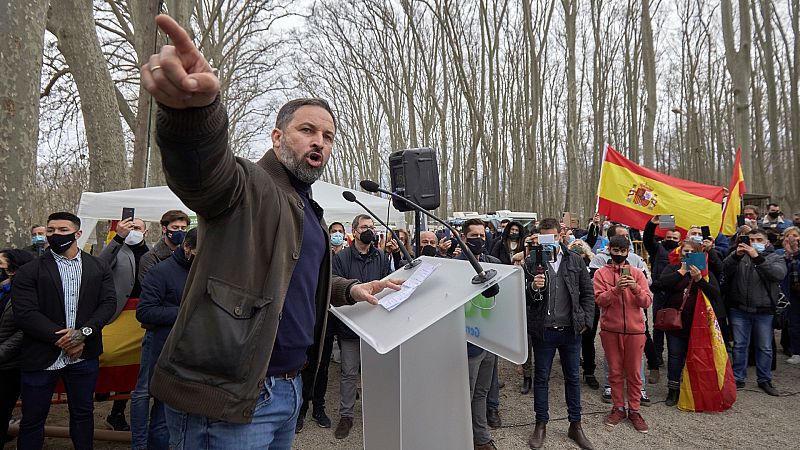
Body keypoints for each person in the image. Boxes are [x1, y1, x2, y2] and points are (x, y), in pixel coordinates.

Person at [140, 15, 401, 449]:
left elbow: (292, 276)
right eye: (307, 130)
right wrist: (194, 115)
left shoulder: (309, 210)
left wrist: (349, 289)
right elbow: (202, 171)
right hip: (228, 399)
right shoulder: (249, 186)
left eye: (328, 136)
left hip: (288, 389)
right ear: (278, 137)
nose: (320, 141)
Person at [12, 212, 117, 450]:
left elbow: (108, 303)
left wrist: (84, 334)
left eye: (62, 230)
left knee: (83, 414)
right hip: (41, 356)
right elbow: (25, 313)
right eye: (51, 230)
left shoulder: (98, 265)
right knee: (32, 419)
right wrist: (63, 338)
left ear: (77, 234)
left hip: (84, 354)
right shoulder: (30, 270)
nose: (55, 235)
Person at [525, 218, 595, 450]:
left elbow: (587, 293)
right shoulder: (532, 262)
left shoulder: (575, 259)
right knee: (542, 378)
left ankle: (575, 425)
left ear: (560, 236)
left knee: (573, 378)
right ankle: (540, 424)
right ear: (538, 237)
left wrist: (585, 321)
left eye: (553, 237)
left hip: (570, 331)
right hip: (543, 331)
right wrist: (534, 286)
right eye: (544, 237)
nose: (549, 242)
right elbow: (525, 298)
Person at [130, 228, 198, 450]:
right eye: (201, 251)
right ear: (187, 248)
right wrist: (187, 312)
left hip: (195, 351)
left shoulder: (205, 270)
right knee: (162, 412)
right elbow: (145, 312)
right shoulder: (161, 272)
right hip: (164, 347)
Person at [330, 215, 391, 440]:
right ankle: (346, 415)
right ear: (354, 231)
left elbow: (387, 285)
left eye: (372, 227)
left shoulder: (382, 257)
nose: (369, 231)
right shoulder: (342, 258)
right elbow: (335, 286)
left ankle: (377, 411)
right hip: (350, 327)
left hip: (375, 325)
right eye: (364, 227)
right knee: (348, 372)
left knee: (376, 372)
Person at [593, 235, 652, 433]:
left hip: (635, 331)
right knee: (615, 372)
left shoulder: (637, 273)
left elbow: (647, 302)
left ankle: (634, 410)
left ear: (628, 252)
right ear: (610, 250)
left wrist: (634, 288)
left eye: (622, 251)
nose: (618, 254)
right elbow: (600, 300)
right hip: (611, 329)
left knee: (635, 373)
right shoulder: (601, 273)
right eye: (615, 251)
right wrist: (617, 290)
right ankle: (618, 408)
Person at [651, 240, 721, 406]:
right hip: (676, 323)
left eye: (691, 251)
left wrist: (699, 280)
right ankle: (672, 390)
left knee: (695, 357)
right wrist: (681, 272)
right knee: (675, 357)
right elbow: (660, 285)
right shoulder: (673, 268)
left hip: (698, 324)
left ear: (698, 254)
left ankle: (692, 388)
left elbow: (716, 294)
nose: (687, 254)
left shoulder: (705, 273)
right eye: (684, 251)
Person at [97, 216, 151, 431]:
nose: (133, 231)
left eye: (137, 228)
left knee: (135, 366)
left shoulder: (153, 253)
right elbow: (99, 266)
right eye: (130, 227)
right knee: (106, 353)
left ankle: (117, 412)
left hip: (141, 316)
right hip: (116, 313)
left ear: (146, 232)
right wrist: (118, 238)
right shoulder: (115, 248)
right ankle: (101, 387)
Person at [296, 222, 349, 434]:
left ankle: (319, 407)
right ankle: (301, 410)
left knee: (323, 368)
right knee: (304, 367)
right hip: (307, 321)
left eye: (339, 232)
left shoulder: (340, 259)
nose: (335, 235)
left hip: (327, 323)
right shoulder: (309, 258)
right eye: (332, 232)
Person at [724, 229, 787, 396]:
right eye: (751, 239)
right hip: (739, 309)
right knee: (739, 346)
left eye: (759, 239)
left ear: (767, 242)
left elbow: (778, 274)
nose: (754, 242)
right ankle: (738, 377)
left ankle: (764, 379)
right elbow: (724, 269)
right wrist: (736, 255)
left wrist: (757, 258)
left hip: (764, 310)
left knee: (765, 347)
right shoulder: (739, 256)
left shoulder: (775, 257)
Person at [457, 219, 501, 450]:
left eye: (483, 235)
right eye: (474, 235)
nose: (479, 239)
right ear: (464, 238)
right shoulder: (454, 266)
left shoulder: (493, 263)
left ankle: (481, 438)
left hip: (489, 340)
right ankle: (462, 438)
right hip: (468, 342)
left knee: (482, 392)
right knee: (467, 394)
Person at [0, 249, 34, 447]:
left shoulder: (25, 294)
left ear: (13, 269)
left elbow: (23, 331)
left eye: (1, 264)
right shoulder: (3, 289)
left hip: (9, 366)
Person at [137, 210, 191, 283]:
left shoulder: (188, 255)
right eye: (175, 227)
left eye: (183, 228)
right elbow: (149, 286)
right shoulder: (150, 258)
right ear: (164, 229)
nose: (180, 231)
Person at [778, 226, 800, 364]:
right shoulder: (780, 253)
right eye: (788, 236)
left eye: (795, 236)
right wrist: (788, 255)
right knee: (794, 324)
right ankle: (796, 351)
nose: (791, 239)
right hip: (791, 293)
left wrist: (796, 253)